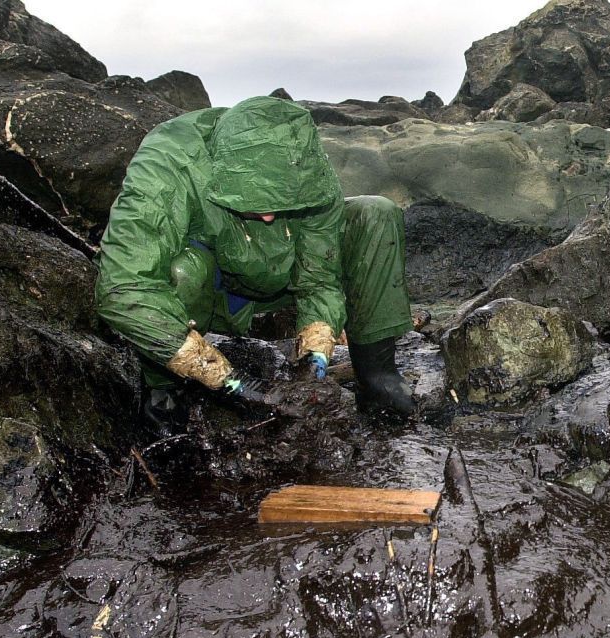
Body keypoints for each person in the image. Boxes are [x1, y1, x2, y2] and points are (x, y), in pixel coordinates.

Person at [95, 95, 416, 435]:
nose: (267, 216)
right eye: (257, 202)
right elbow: (123, 286)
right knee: (180, 273)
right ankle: (165, 389)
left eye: (279, 204)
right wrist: (230, 381)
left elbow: (319, 278)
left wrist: (314, 358)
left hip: (278, 278)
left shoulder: (303, 163)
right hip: (213, 289)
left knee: (375, 213)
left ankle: (378, 378)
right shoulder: (168, 162)